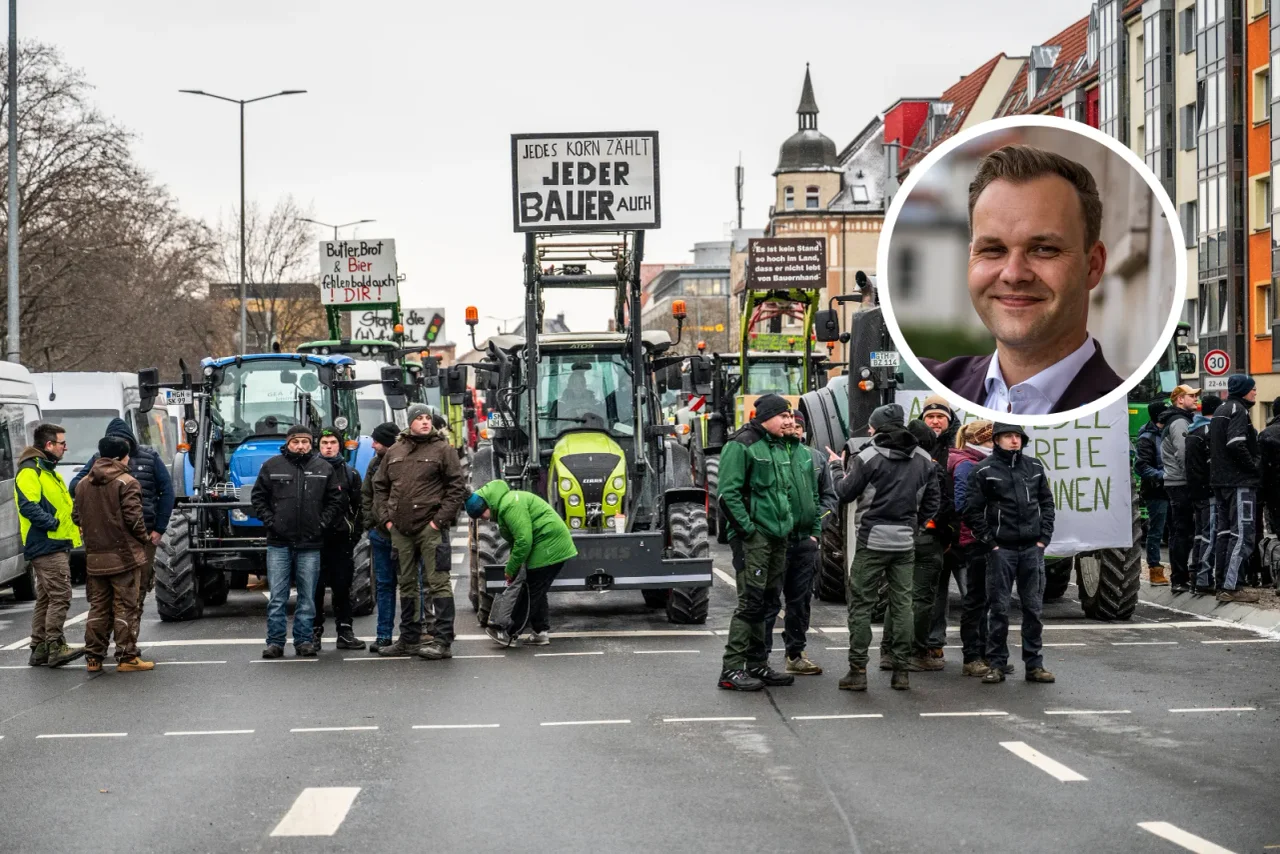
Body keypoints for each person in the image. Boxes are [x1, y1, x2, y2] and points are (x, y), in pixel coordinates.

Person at [919, 145, 1121, 414]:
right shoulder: (918, 386)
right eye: (993, 250)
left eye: (1044, 249)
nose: (1014, 274)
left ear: (1093, 266)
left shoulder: (1125, 409)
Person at [827, 403, 940, 692]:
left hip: (871, 541)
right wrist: (913, 527)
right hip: (905, 542)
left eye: (871, 427)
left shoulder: (868, 457)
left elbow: (844, 493)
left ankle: (857, 671)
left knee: (861, 605)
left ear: (876, 428)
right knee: (903, 605)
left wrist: (836, 467)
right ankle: (901, 672)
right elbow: (932, 503)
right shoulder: (925, 459)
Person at [69, 417, 175, 654]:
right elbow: (132, 518)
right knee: (125, 598)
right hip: (129, 539)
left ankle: (97, 653)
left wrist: (158, 528)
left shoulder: (147, 459)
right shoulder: (122, 479)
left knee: (109, 599)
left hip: (118, 540)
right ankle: (125, 652)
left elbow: (167, 491)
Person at [716, 393, 799, 692]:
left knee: (768, 603)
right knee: (750, 603)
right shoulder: (741, 445)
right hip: (755, 539)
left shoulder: (778, 446)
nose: (789, 421)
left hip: (777, 537)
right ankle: (732, 669)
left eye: (790, 416)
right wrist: (749, 532)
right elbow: (727, 495)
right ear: (766, 417)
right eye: (783, 416)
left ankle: (757, 663)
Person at [962, 423, 1056, 684]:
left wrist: (1043, 539)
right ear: (996, 440)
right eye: (1008, 436)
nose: (1014, 441)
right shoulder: (984, 471)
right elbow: (971, 511)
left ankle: (1034, 665)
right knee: (999, 610)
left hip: (1031, 549)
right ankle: (997, 664)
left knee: (1033, 610)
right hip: (1000, 550)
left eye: (1017, 436)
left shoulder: (1034, 467)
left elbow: (1047, 503)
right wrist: (991, 542)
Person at [372, 403, 467, 660]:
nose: (425, 422)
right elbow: (379, 487)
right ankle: (409, 639)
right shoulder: (395, 451)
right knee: (407, 584)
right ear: (410, 422)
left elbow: (456, 488)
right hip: (400, 530)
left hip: (430, 529)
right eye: (420, 418)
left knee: (438, 583)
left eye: (428, 418)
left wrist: (438, 521)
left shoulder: (443, 450)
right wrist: (387, 521)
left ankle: (442, 640)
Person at [250, 424, 343, 658]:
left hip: (310, 545)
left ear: (310, 443)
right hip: (279, 543)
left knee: (307, 596)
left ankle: (304, 641)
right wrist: (273, 523)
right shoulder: (272, 466)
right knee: (278, 597)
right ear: (288, 443)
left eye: (304, 441)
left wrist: (320, 524)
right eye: (296, 442)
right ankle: (275, 642)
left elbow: (334, 500)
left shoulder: (322, 467)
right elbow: (258, 498)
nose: (300, 446)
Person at [73, 436, 153, 673]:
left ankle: (94, 658)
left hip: (95, 557)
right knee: (126, 606)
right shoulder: (127, 482)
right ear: (121, 457)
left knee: (98, 607)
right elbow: (134, 519)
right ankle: (127, 656)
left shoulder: (82, 484)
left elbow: (77, 517)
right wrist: (144, 539)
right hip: (124, 556)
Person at [875, 420, 946, 674]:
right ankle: (915, 652)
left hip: (897, 535)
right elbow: (939, 505)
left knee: (898, 597)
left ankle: (888, 651)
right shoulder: (931, 467)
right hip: (926, 537)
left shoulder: (894, 463)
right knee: (922, 599)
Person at [469, 481, 577, 647]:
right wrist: (512, 568)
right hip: (547, 544)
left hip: (549, 546)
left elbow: (523, 540)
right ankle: (540, 632)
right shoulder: (506, 505)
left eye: (483, 512)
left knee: (530, 593)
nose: (484, 517)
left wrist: (511, 568)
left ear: (488, 503)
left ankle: (509, 632)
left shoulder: (510, 505)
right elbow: (516, 541)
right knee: (536, 590)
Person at [762, 409, 826, 676]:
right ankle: (760, 658)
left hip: (803, 543)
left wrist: (815, 531)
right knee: (768, 602)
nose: (793, 428)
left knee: (800, 601)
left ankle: (796, 653)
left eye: (797, 425)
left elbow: (825, 497)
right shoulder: (765, 455)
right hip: (775, 542)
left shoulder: (814, 458)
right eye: (787, 423)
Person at [16, 422, 84, 668]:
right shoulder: (30, 471)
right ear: (49, 445)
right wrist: (53, 524)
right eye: (62, 443)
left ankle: (40, 647)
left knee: (46, 597)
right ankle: (55, 645)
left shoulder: (45, 469)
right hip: (46, 543)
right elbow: (28, 506)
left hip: (54, 542)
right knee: (61, 595)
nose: (65, 448)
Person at [1209, 375, 1262, 603]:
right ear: (1243, 390)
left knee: (1224, 534)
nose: (1255, 393)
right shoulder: (1238, 410)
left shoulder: (1221, 409)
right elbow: (1236, 443)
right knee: (1242, 535)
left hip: (1220, 482)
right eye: (1253, 389)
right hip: (1238, 482)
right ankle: (1232, 587)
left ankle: (1221, 582)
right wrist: (1253, 467)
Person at [949, 420, 996, 676]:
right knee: (976, 599)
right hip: (975, 540)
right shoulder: (967, 464)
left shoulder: (974, 462)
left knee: (985, 599)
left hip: (982, 538)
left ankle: (986, 653)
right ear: (980, 441)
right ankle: (973, 656)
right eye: (991, 440)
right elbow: (962, 504)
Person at [919, 395, 963, 660]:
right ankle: (933, 641)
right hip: (932, 532)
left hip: (960, 532)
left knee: (973, 595)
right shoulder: (917, 446)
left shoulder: (961, 445)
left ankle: (977, 650)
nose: (935, 421)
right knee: (934, 593)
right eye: (930, 417)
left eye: (940, 417)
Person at [313, 430, 365, 650]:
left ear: (340, 446)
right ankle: (314, 633)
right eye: (324, 443)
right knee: (314, 588)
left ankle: (345, 632)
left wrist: (353, 535)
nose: (328, 447)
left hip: (342, 540)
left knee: (343, 588)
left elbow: (358, 508)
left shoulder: (351, 474)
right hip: (315, 541)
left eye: (333, 442)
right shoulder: (310, 472)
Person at [361, 422, 401, 653]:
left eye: (377, 440)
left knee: (410, 586)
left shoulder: (403, 462)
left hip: (405, 535)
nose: (373, 444)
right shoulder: (374, 463)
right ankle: (384, 635)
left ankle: (410, 633)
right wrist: (371, 524)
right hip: (380, 534)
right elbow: (367, 494)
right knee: (385, 586)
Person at [1161, 386, 1200, 594]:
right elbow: (1184, 454)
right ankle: (1179, 578)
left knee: (1181, 531)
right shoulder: (1179, 422)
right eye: (1191, 396)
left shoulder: (1177, 420)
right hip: (1180, 483)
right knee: (1182, 532)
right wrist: (1193, 480)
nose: (1195, 398)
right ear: (1179, 400)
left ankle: (1180, 576)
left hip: (1176, 482)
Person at [1184, 395, 1221, 595]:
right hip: (1208, 492)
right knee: (1210, 535)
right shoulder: (1209, 431)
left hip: (1196, 490)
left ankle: (1194, 573)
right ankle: (1204, 578)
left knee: (1200, 534)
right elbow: (1212, 462)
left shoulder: (1193, 430)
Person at [1135, 402, 1170, 586]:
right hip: (1156, 490)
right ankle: (1155, 570)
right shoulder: (1146, 438)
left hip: (1173, 488)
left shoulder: (1169, 431)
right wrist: (1162, 476)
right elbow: (1141, 466)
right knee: (1156, 531)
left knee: (1176, 531)